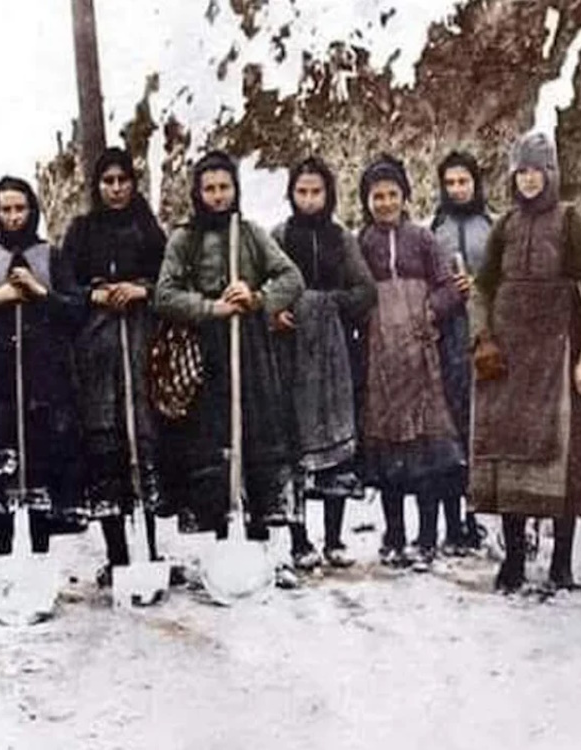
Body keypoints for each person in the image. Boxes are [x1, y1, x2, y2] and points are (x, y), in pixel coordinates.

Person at [470, 132, 581, 595]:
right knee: (510, 454)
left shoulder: (572, 223)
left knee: (564, 459)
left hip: (558, 356)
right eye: (522, 172)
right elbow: (481, 287)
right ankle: (513, 561)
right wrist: (483, 338)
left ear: (551, 173)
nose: (529, 180)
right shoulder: (505, 226)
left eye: (537, 171)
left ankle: (561, 566)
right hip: (510, 361)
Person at [153, 150, 304, 544]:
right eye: (210, 189)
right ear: (197, 193)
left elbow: (291, 278)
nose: (218, 196)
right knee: (209, 440)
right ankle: (217, 540)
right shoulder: (185, 239)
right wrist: (211, 307)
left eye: (225, 187)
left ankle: (260, 539)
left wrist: (256, 298)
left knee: (255, 433)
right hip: (204, 350)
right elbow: (164, 295)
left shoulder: (251, 233)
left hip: (248, 347)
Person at [0, 176, 86, 556]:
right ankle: (4, 558)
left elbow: (75, 310)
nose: (13, 217)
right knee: (0, 474)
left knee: (43, 473)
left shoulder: (50, 256)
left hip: (44, 381)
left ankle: (41, 556)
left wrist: (39, 292)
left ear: (32, 211)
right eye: (5, 210)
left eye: (20, 209)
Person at [62, 148, 167, 586]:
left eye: (123, 180)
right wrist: (94, 295)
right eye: (108, 181)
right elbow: (65, 288)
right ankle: (117, 554)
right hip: (98, 349)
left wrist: (142, 290)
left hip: (141, 343)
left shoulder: (148, 228)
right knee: (106, 445)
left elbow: (169, 281)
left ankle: (150, 549)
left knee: (142, 440)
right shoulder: (82, 232)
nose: (116, 189)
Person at [356, 154, 465, 572]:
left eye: (392, 195)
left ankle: (427, 538)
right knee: (390, 455)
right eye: (377, 197)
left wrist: (430, 311)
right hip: (382, 360)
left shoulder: (422, 239)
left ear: (405, 197)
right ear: (367, 201)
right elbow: (355, 290)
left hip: (422, 358)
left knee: (427, 453)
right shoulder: (362, 244)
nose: (385, 203)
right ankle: (395, 535)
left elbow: (449, 288)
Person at [272, 156, 376, 571]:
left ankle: (334, 538)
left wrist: (331, 304)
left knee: (336, 439)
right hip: (291, 353)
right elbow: (264, 284)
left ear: (328, 195)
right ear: (291, 194)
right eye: (302, 192)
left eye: (317, 192)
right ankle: (299, 540)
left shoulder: (341, 238)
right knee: (294, 440)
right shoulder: (279, 236)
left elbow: (365, 290)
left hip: (334, 354)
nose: (309, 199)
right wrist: (276, 312)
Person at [430, 150, 494, 555]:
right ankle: (452, 523)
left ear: (475, 183)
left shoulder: (492, 226)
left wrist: (479, 287)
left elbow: (503, 278)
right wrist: (448, 294)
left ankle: (478, 516)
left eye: (463, 181)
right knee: (449, 431)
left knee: (481, 427)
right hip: (447, 341)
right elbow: (426, 285)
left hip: (485, 337)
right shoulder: (435, 230)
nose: (456, 190)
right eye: (450, 183)